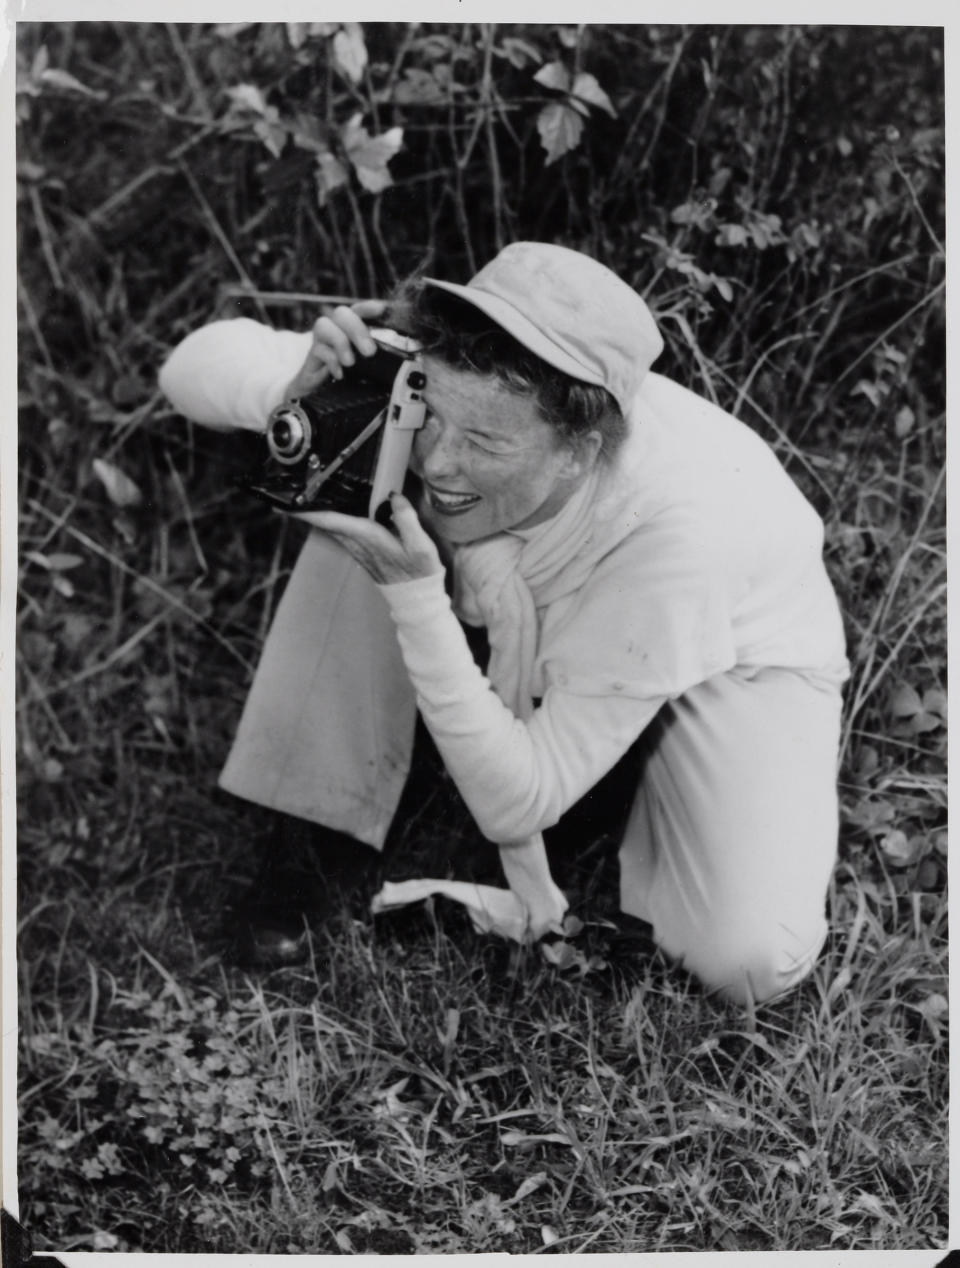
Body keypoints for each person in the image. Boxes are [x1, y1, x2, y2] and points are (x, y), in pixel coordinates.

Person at [159, 241, 849, 1005]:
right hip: (539, 606)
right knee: (356, 483)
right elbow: (190, 365)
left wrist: (416, 592)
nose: (443, 463)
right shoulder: (435, 383)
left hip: (729, 659)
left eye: (486, 442)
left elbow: (517, 804)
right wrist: (299, 399)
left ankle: (619, 777)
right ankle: (312, 832)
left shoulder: (685, 535)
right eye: (432, 418)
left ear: (580, 450)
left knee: (747, 960)